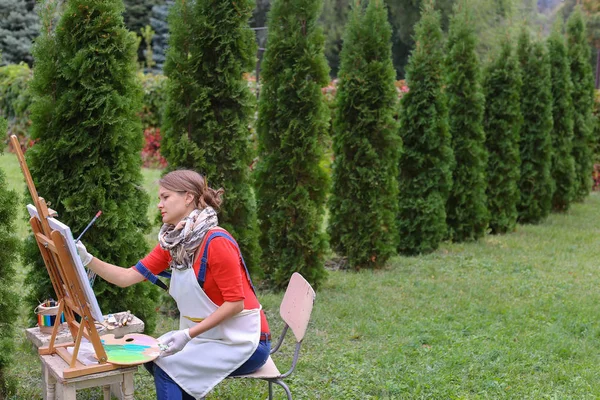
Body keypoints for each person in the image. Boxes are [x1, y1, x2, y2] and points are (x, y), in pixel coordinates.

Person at [76, 169, 270, 400]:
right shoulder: (175, 242)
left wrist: (188, 335)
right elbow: (126, 278)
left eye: (165, 197)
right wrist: (87, 259)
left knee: (166, 370)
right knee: (153, 359)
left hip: (245, 342)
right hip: (212, 336)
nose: (159, 204)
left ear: (188, 197)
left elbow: (235, 304)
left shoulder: (217, 242)